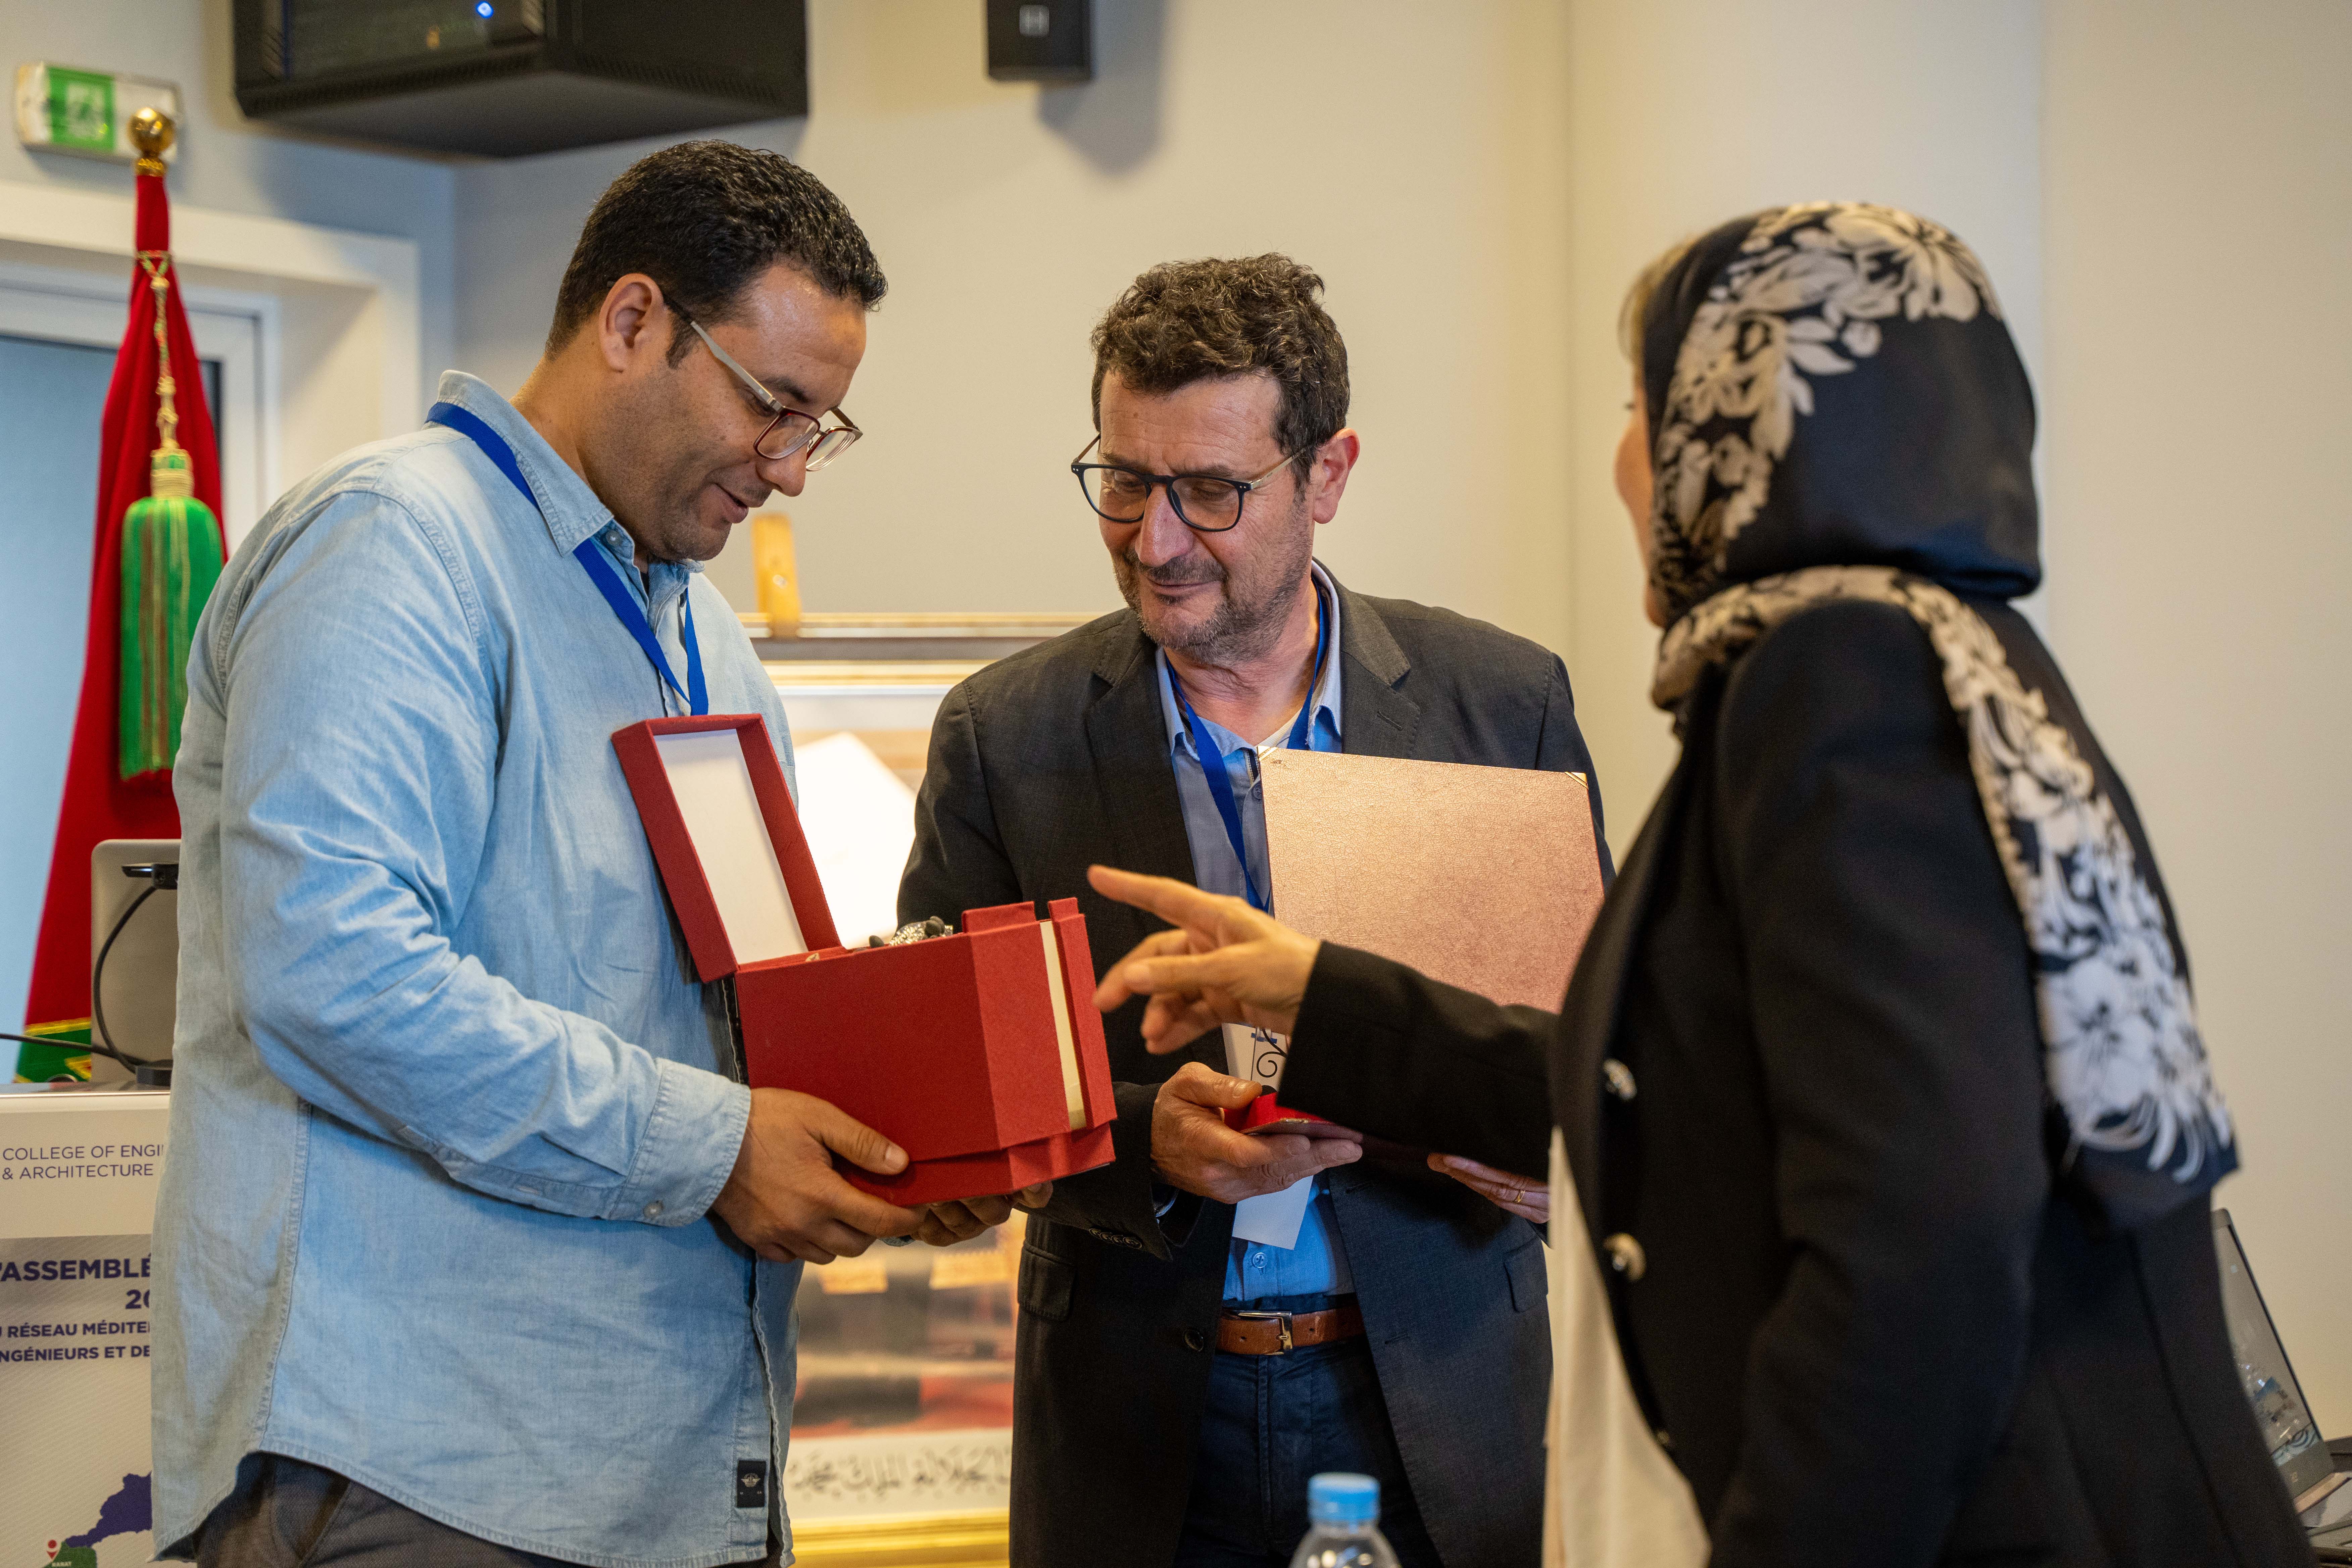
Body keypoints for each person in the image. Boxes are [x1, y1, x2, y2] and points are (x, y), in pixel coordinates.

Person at [1087, 204, 2312, 1566]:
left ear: (1735, 433)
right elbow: (1662, 1091)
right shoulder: (1944, 654)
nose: (1624, 460)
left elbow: (1921, 1244)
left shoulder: (1843, 683)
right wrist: (1319, 996)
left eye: (1639, 408)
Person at [153, 141, 1026, 1568]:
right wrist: (720, 1145)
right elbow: (335, 974)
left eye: (821, 429)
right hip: (426, 1474)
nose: (790, 471)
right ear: (631, 323)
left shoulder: (705, 633)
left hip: (673, 1477)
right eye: (772, 406)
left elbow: (729, 1018)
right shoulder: (397, 544)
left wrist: (884, 1149)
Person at [896, 254, 1610, 1567]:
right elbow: (954, 1102)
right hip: (1135, 1426)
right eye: (1124, 481)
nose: (1155, 540)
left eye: (1212, 492)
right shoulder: (1003, 738)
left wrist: (1563, 1159)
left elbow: (1598, 1057)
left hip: (1443, 1404)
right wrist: (1143, 1145)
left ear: (1327, 475)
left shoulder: (1505, 703)